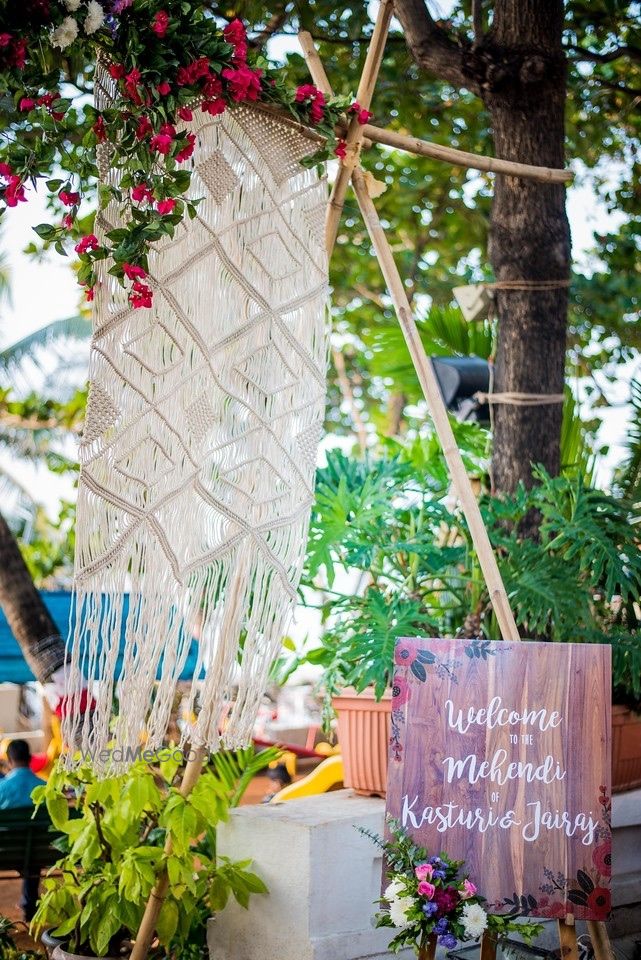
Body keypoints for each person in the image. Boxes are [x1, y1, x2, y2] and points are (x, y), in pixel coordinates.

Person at [0, 739, 44, 920]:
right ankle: (30, 906)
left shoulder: (2, 787)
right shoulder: (45, 786)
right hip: (38, 853)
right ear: (30, 758)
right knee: (33, 847)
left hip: (4, 852)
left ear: (9, 761)